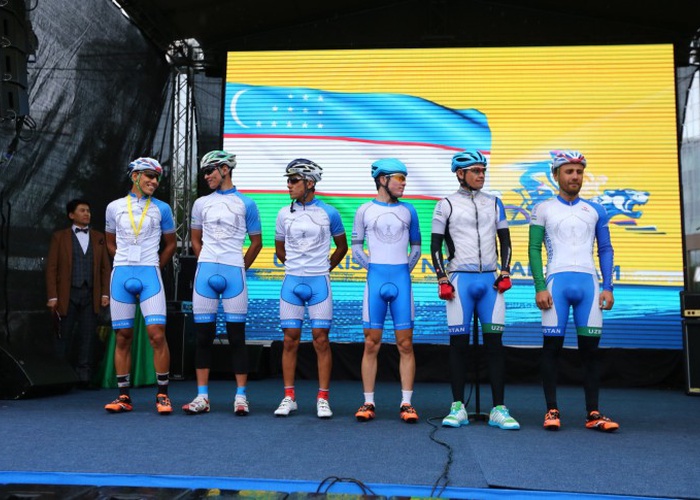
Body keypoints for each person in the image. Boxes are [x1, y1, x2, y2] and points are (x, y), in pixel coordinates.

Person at [528, 150, 618, 432]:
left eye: (579, 172)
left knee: (590, 352)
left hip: (589, 286)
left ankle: (593, 413)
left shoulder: (596, 210)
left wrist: (608, 287)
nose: (575, 177)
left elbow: (605, 249)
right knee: (551, 349)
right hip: (556, 284)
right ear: (556, 175)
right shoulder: (543, 209)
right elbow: (533, 249)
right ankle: (551, 410)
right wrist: (540, 286)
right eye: (569, 171)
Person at [430, 150, 520, 430]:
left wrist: (505, 270)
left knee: (495, 345)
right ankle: (457, 406)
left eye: (483, 170)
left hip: (490, 281)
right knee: (458, 346)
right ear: (460, 174)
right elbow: (435, 246)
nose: (482, 175)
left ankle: (499, 409)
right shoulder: (445, 204)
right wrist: (442, 278)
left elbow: (505, 240)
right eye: (476, 171)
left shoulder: (494, 202)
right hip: (460, 281)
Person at [181, 150, 262, 416]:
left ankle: (241, 397)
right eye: (204, 172)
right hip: (205, 273)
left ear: (225, 169)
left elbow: (257, 242)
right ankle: (202, 396)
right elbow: (195, 239)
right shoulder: (201, 203)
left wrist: (239, 267)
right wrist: (205, 259)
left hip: (233, 274)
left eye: (210, 171)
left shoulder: (247, 203)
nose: (206, 177)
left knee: (237, 338)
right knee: (203, 337)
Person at [273, 159, 348, 418]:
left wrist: (325, 268)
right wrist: (295, 266)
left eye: (294, 180)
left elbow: (342, 246)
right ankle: (289, 397)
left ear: (309, 183)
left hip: (319, 282)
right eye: (288, 180)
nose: (289, 185)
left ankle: (323, 398)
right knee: (289, 340)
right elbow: (279, 248)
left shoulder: (329, 213)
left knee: (321, 339)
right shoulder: (283, 213)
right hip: (292, 281)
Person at [103, 157, 177, 414]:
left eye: (157, 178)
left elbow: (171, 244)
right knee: (123, 336)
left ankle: (163, 395)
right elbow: (109, 241)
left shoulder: (162, 209)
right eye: (149, 176)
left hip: (149, 275)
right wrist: (123, 261)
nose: (154, 181)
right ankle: (123, 396)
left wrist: (154, 265)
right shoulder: (113, 207)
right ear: (134, 176)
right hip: (122, 275)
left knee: (157, 334)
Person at [352, 158, 421, 423]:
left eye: (405, 178)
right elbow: (356, 247)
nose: (404, 183)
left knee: (406, 344)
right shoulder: (364, 210)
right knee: (371, 343)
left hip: (401, 280)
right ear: (383, 180)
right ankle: (368, 402)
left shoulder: (409, 210)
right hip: (376, 280)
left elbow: (416, 247)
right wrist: (374, 269)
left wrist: (403, 271)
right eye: (399, 178)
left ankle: (407, 403)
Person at [45, 199, 111, 387]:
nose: (86, 214)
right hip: (67, 294)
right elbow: (52, 267)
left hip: (91, 294)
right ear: (71, 215)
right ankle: (60, 376)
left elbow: (105, 268)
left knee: (88, 336)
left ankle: (84, 377)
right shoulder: (60, 237)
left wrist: (105, 294)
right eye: (82, 210)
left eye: (88, 210)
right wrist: (52, 296)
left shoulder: (98, 237)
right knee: (63, 335)